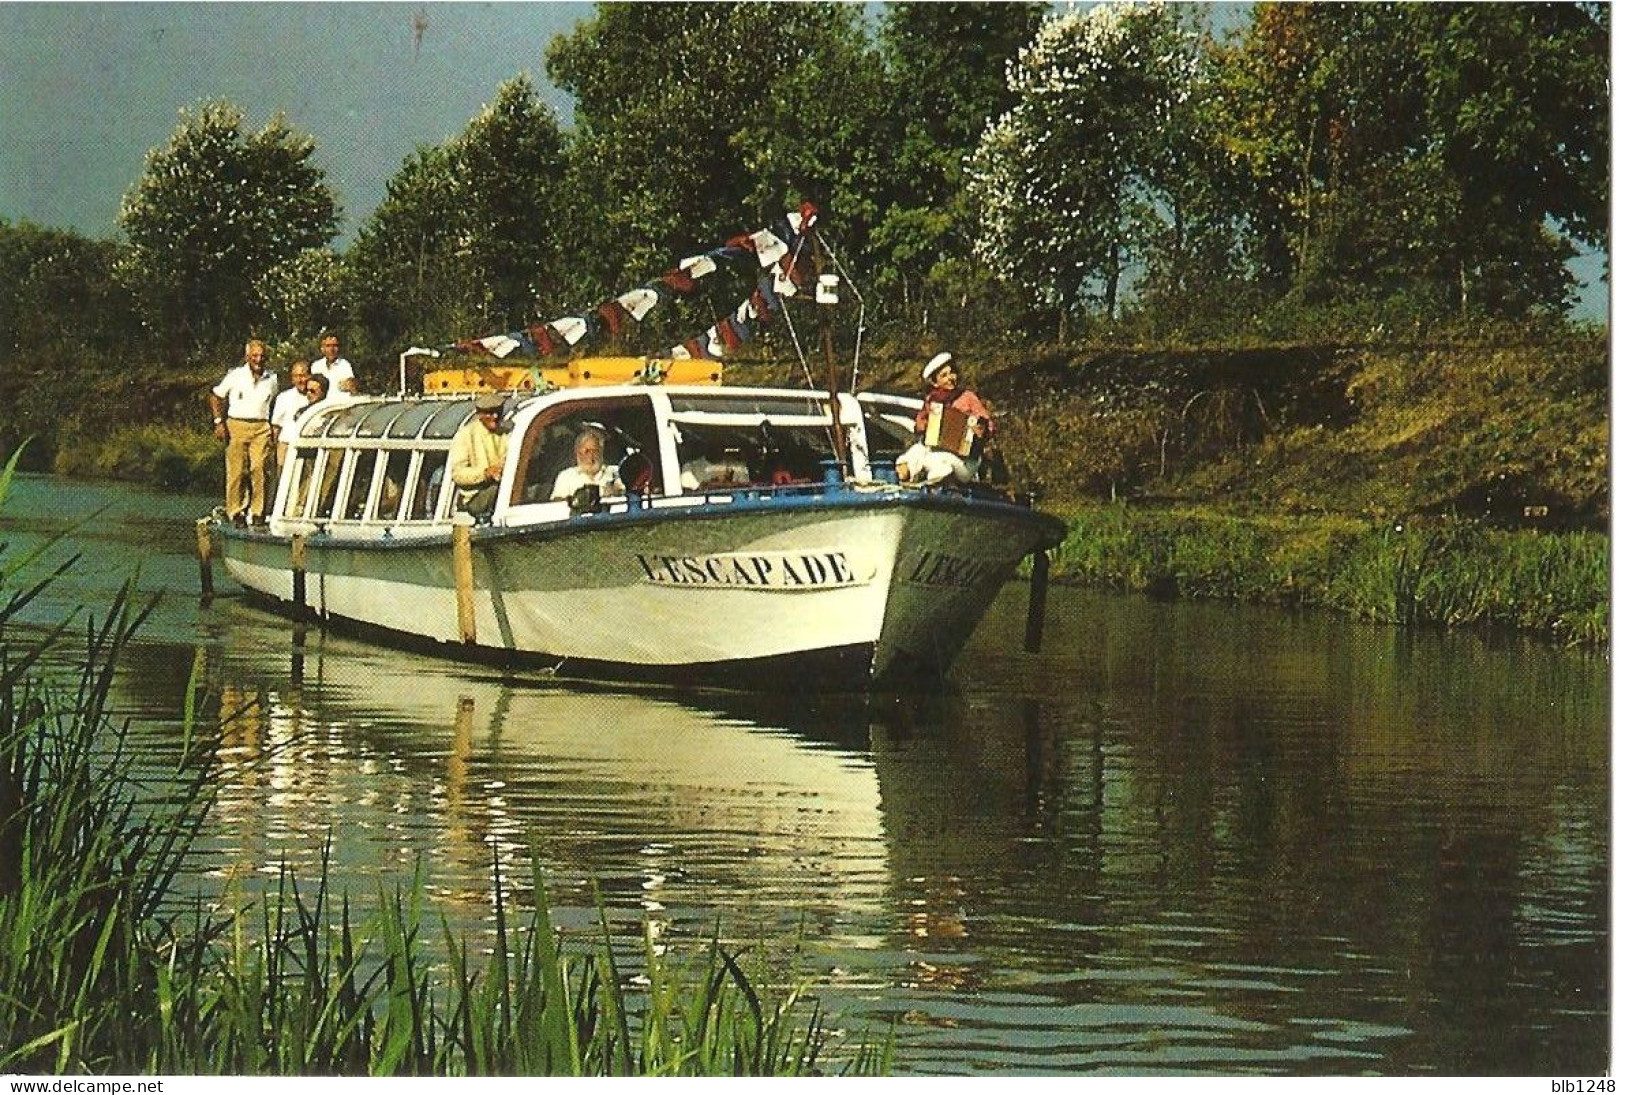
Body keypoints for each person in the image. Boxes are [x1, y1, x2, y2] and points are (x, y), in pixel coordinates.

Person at [895, 351, 995, 486]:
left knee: (937, 459)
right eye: (944, 375)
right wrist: (926, 425)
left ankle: (933, 486)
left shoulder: (968, 397)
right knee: (916, 451)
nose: (950, 378)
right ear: (935, 382)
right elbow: (919, 424)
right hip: (936, 450)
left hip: (965, 459)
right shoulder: (932, 400)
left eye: (952, 373)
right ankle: (906, 478)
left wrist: (980, 429)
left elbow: (988, 424)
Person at [209, 339, 279, 526]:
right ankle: (236, 510)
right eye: (255, 356)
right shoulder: (236, 375)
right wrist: (218, 422)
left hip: (261, 426)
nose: (259, 359)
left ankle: (258, 512)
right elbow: (216, 396)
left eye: (262, 356)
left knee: (259, 468)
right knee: (237, 470)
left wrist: (274, 426)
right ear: (247, 357)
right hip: (237, 424)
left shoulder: (272, 378)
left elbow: (275, 403)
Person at [449, 392, 510, 517]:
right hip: (475, 498)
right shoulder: (465, 435)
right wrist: (485, 473)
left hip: (504, 489)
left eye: (498, 412)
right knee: (499, 491)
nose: (495, 416)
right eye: (490, 413)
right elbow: (458, 473)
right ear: (479, 414)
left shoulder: (507, 432)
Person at [551, 427, 624, 501]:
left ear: (601, 452)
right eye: (586, 451)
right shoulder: (566, 476)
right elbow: (556, 504)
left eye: (595, 451)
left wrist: (617, 493)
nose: (590, 456)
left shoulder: (616, 473)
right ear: (578, 453)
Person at [270, 360, 312, 468]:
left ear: (309, 376)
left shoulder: (315, 397)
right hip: (286, 444)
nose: (300, 380)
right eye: (296, 376)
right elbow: (276, 426)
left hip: (307, 446)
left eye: (303, 376)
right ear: (292, 379)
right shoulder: (284, 397)